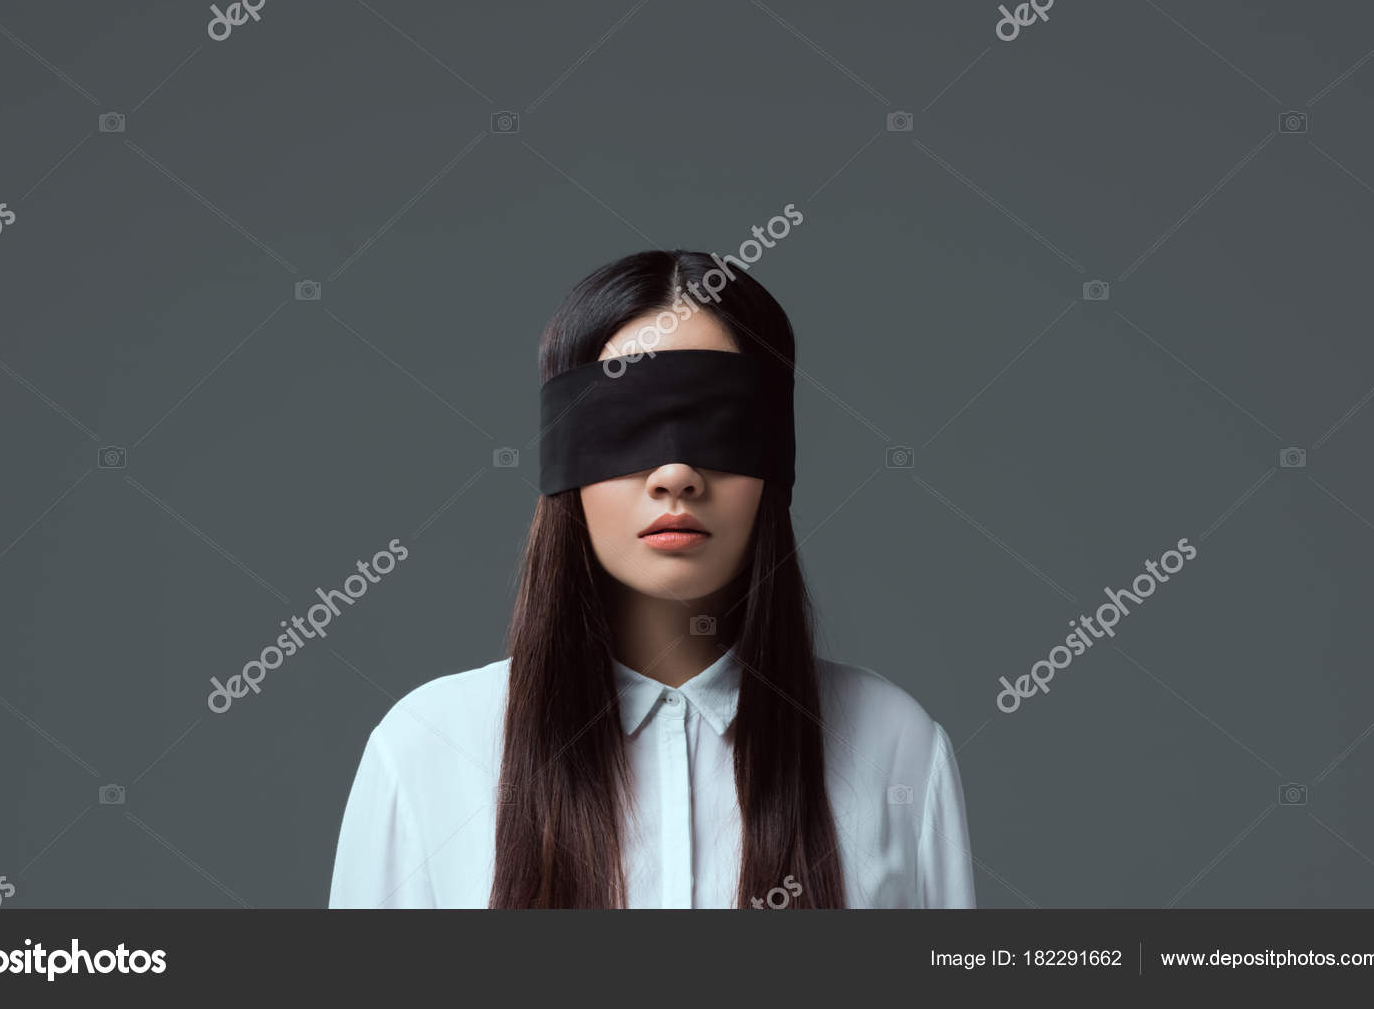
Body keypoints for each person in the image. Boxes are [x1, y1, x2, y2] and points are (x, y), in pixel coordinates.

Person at [329, 250, 975, 907]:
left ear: (773, 464)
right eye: (625, 424)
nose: (675, 474)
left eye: (718, 424)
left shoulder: (894, 745)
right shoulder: (429, 749)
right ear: (565, 467)